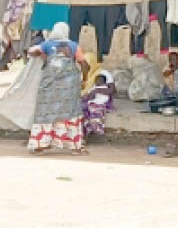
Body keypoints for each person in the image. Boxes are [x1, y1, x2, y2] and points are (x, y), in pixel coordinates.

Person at [27, 22, 89, 154]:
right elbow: (83, 63)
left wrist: (42, 54)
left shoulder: (47, 44)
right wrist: (85, 79)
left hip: (50, 87)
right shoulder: (73, 45)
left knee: (45, 113)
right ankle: (75, 146)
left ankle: (41, 143)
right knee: (71, 113)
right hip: (69, 87)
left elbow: (31, 51)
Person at [81, 69, 115, 138]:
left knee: (94, 111)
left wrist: (96, 91)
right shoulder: (81, 72)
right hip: (92, 101)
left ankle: (94, 129)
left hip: (100, 102)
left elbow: (112, 90)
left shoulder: (103, 73)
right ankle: (86, 130)